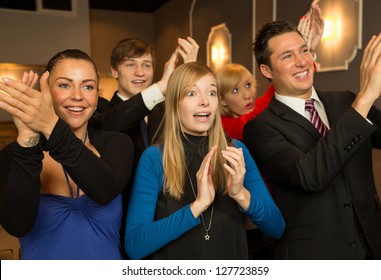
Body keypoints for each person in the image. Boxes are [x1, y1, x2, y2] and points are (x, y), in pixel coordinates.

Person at [243, 19, 381, 259]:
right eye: (287, 56)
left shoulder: (345, 102)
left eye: (304, 50)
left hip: (375, 250)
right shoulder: (260, 129)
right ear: (267, 70)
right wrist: (364, 100)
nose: (302, 61)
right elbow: (311, 175)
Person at [124, 62, 285, 260]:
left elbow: (276, 228)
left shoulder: (236, 151)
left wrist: (240, 194)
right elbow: (135, 245)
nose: (204, 102)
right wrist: (197, 206)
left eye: (211, 93)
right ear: (175, 102)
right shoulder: (154, 158)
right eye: (192, 94)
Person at [0, 49, 134, 259]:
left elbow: (105, 189)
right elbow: (17, 225)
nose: (77, 96)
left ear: (97, 97)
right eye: (64, 85)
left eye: (88, 86)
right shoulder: (13, 154)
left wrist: (50, 126)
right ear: (45, 93)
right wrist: (27, 138)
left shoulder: (116, 144)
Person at [91, 36, 199, 258]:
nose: (140, 72)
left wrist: (188, 75)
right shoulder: (101, 110)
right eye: (130, 64)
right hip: (123, 223)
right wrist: (162, 86)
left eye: (146, 65)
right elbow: (114, 123)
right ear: (114, 71)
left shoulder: (166, 111)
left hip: (172, 219)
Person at [216, 1, 324, 141]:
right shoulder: (223, 126)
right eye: (235, 90)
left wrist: (307, 55)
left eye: (248, 85)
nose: (247, 96)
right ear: (221, 100)